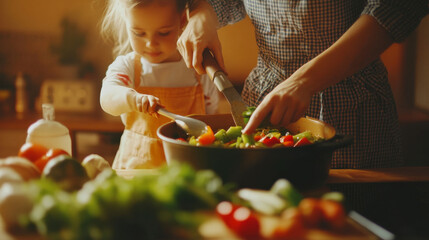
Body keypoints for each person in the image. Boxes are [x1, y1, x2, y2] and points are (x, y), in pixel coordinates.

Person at [178, 0, 429, 168]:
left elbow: (396, 7)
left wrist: (304, 81)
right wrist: (202, 13)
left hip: (353, 109)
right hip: (264, 93)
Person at [99, 0, 219, 170]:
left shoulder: (197, 68)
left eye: (163, 33)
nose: (151, 43)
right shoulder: (128, 68)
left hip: (188, 173)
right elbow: (107, 98)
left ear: (182, 21)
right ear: (126, 20)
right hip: (136, 174)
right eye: (139, 33)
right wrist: (132, 98)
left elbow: (211, 120)